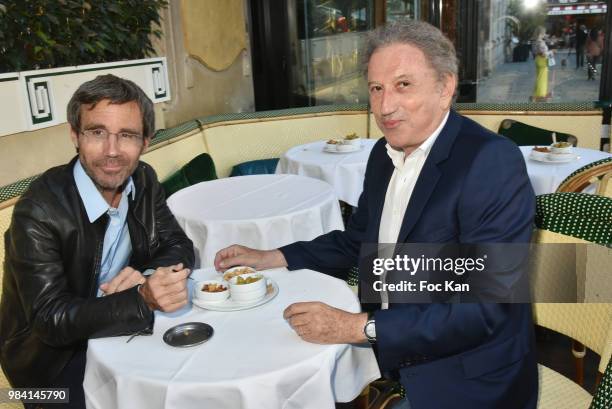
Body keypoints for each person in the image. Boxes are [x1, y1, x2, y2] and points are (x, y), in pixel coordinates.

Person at [215, 20, 537, 409]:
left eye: (404, 85)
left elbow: (484, 309)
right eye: (376, 88)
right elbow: (357, 241)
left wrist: (355, 327)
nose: (385, 107)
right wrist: (273, 257)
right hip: (391, 343)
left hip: (464, 374)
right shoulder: (382, 156)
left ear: (445, 87)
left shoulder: (490, 162)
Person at [0, 74, 194, 408]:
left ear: (146, 141)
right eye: (97, 132)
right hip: (46, 368)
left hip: (122, 327)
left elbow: (179, 245)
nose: (113, 151)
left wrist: (144, 274)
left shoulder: (143, 179)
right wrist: (142, 300)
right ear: (74, 135)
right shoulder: (38, 211)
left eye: (128, 135)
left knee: (191, 385)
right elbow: (50, 320)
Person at [531, 27, 551, 101]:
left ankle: (537, 94)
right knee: (542, 79)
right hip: (542, 61)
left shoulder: (534, 41)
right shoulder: (540, 42)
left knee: (539, 78)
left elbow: (535, 52)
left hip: (537, 60)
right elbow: (543, 54)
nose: (544, 35)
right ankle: (540, 95)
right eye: (544, 33)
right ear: (540, 33)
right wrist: (551, 52)